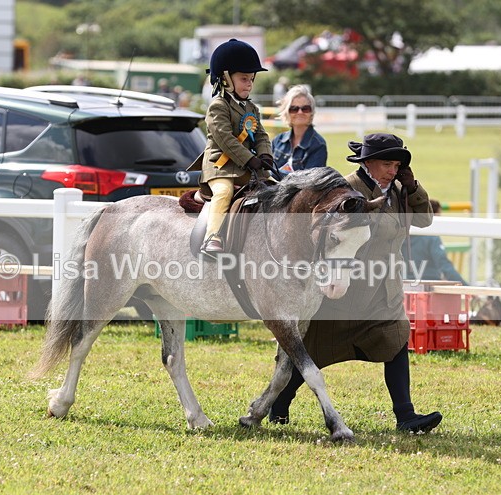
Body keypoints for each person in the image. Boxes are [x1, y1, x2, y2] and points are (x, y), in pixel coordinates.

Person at [269, 133, 443, 433]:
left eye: (397, 164)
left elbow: (425, 219)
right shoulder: (346, 190)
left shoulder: (401, 189)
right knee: (313, 349)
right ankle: (279, 402)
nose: (393, 170)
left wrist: (413, 186)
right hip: (349, 285)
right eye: (387, 164)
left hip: (385, 287)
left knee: (397, 340)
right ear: (368, 163)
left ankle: (406, 416)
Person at [187, 39, 273, 256]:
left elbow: (261, 134)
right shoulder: (218, 106)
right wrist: (250, 159)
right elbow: (225, 139)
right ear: (225, 79)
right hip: (221, 167)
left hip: (245, 168)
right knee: (224, 192)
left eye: (252, 79)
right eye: (244, 79)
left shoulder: (252, 107)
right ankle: (212, 238)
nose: (249, 84)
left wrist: (265, 154)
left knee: (275, 191)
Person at [405, 199, 468, 285]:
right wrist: (467, 287)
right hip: (428, 286)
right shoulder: (431, 238)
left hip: (404, 285)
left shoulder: (402, 235)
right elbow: (445, 266)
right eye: (439, 216)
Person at [270, 85, 328, 172]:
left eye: (305, 108)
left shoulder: (318, 145)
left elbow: (310, 182)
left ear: (312, 111)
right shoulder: (277, 141)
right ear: (286, 112)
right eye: (294, 109)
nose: (300, 112)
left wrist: (278, 175)